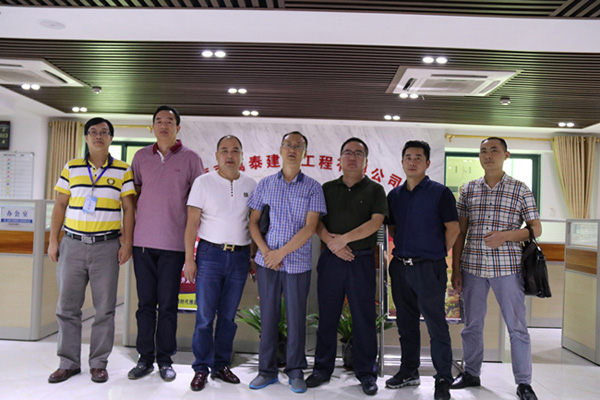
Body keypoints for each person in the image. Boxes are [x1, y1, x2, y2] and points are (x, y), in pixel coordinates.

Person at [450, 137, 541, 400]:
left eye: (494, 150)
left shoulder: (520, 189)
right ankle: (471, 373)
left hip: (508, 268)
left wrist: (506, 236)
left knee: (517, 328)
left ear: (506, 155)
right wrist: (456, 269)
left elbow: (536, 229)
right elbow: (460, 232)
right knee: (471, 325)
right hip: (473, 267)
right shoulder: (468, 189)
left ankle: (524, 383)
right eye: (483, 151)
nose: (488, 155)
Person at [47, 117, 136, 384]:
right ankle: (68, 363)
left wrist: (127, 243)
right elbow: (60, 205)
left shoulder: (123, 170)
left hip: (106, 247)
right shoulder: (71, 167)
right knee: (67, 307)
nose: (99, 136)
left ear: (111, 138)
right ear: (85, 137)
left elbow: (129, 208)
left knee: (105, 309)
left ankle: (98, 363)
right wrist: (53, 240)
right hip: (72, 245)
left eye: (104, 132)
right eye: (93, 132)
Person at [304, 138, 387, 395]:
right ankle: (321, 369)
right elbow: (316, 222)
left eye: (358, 153)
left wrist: (343, 240)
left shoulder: (375, 190)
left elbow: (375, 223)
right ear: (339, 159)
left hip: (361, 260)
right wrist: (332, 243)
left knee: (364, 318)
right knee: (327, 316)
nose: (352, 157)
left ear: (366, 161)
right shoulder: (326, 189)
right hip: (331, 260)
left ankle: (366, 373)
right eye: (348, 153)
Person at [247, 131, 327, 394]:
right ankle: (266, 371)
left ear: (305, 153)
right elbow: (253, 223)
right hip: (267, 262)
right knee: (268, 317)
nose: (292, 149)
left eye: (298, 146)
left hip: (297, 264)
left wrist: (279, 253)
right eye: (288, 145)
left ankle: (295, 371)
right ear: (280, 150)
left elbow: (311, 227)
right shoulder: (265, 184)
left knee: (296, 318)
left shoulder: (313, 187)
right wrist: (266, 252)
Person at [128, 105, 204, 382]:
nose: (163, 125)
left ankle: (165, 359)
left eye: (169, 121)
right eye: (158, 121)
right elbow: (134, 195)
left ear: (178, 127)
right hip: (143, 244)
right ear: (152, 127)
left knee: (169, 305)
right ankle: (144, 358)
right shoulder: (140, 157)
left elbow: (198, 202)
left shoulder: (191, 158)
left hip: (174, 245)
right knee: (145, 305)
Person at [385, 140, 460, 400]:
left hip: (430, 268)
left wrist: (436, 252)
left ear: (427, 163)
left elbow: (453, 229)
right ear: (402, 162)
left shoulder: (440, 193)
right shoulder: (394, 195)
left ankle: (443, 378)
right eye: (408, 157)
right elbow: (392, 228)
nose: (412, 161)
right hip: (400, 268)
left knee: (436, 325)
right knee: (406, 325)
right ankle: (409, 371)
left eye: (418, 157)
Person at [182, 135, 257, 391]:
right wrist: (189, 259)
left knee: (228, 317)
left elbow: (254, 225)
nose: (230, 155)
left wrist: (253, 257)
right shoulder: (203, 182)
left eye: (235, 150)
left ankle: (221, 364)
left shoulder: (251, 184)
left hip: (239, 257)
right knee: (205, 317)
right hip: (210, 255)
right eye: (224, 150)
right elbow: (191, 224)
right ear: (216, 156)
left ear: (242, 155)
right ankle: (201, 367)